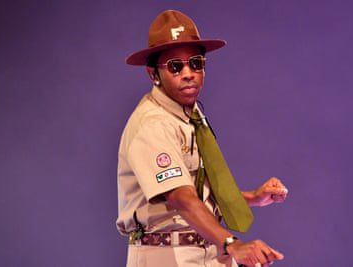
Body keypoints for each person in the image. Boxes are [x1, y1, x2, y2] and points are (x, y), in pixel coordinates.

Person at [117, 10, 289, 267]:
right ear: (153, 74)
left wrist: (254, 197)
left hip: (206, 250)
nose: (188, 73)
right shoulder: (152, 124)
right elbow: (181, 197)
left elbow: (200, 192)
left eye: (195, 63)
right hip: (166, 255)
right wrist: (233, 244)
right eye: (175, 66)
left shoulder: (191, 114)